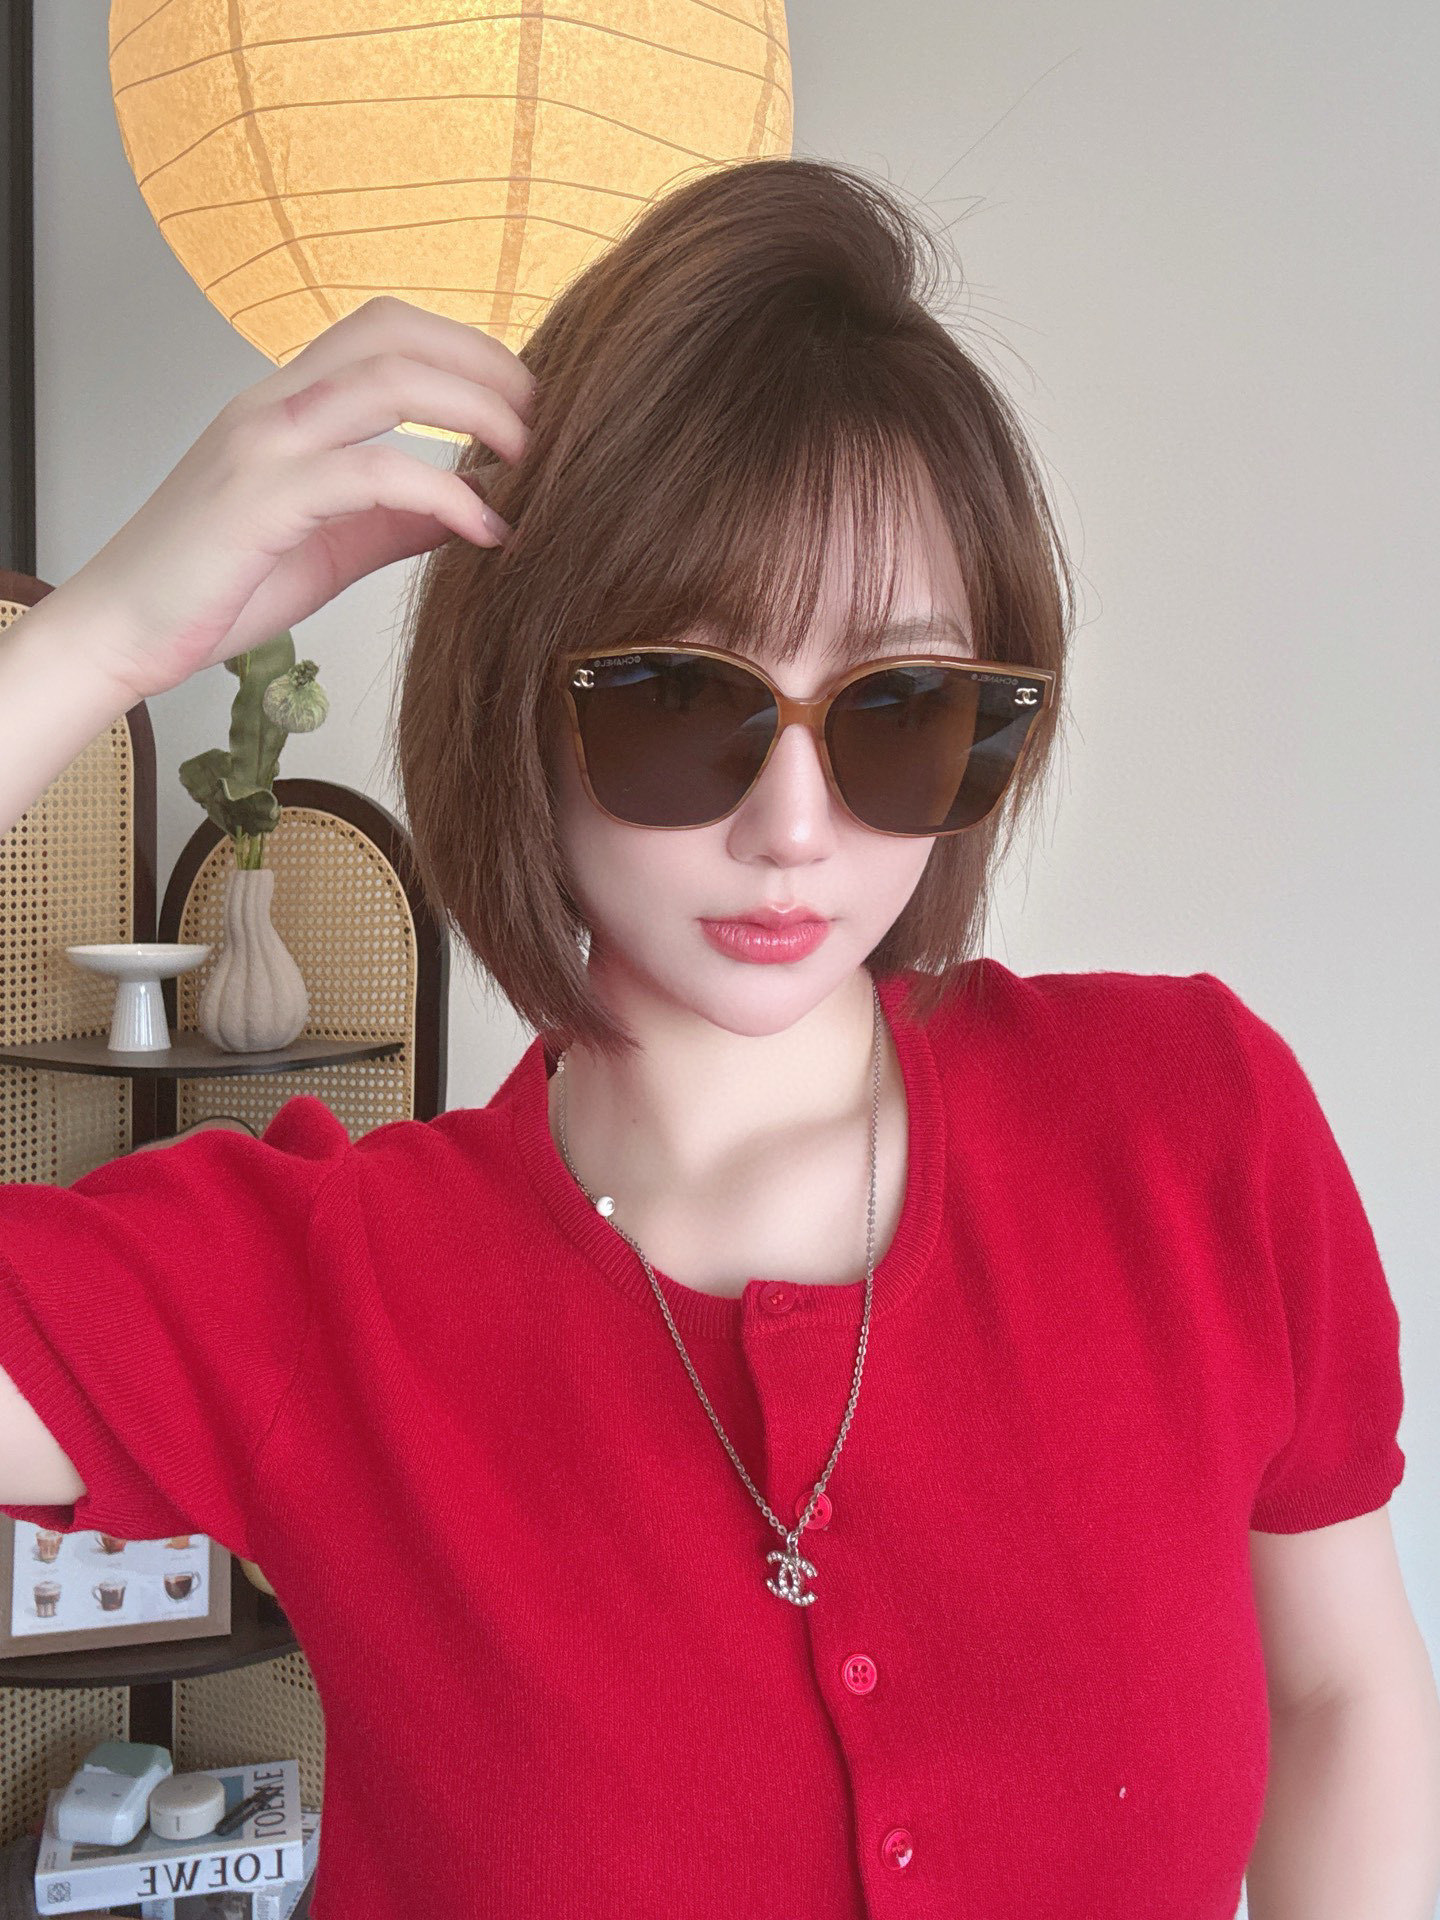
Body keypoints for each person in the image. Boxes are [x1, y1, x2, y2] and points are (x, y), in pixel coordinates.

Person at [0, 158, 1411, 1918]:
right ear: (519, 699)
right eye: (682, 697)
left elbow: (1341, 1695)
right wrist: (91, 649)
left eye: (900, 708)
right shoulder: (315, 1295)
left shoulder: (1192, 1130)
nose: (795, 828)